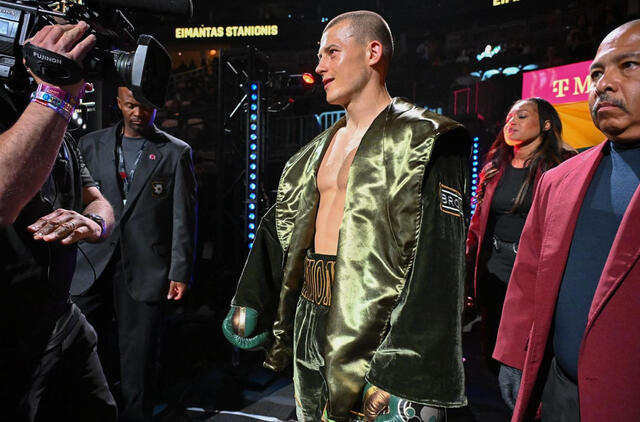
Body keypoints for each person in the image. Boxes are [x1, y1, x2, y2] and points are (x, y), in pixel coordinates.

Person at [223, 11, 470, 422]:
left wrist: (405, 368)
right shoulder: (312, 152)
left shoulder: (425, 139)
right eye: (320, 55)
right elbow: (278, 226)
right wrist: (252, 299)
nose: (320, 66)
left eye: (332, 52)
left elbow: (439, 265)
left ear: (373, 52)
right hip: (310, 319)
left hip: (377, 328)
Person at [493, 19, 640, 421]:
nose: (603, 84)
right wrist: (513, 354)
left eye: (629, 65)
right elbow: (528, 273)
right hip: (561, 394)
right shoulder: (560, 180)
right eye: (597, 73)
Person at [0, 22, 118, 421]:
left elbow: (99, 202)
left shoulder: (58, 132)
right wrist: (55, 92)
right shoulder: (32, 116)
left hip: (62, 316)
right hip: (12, 328)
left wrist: (93, 224)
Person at [70, 86, 198, 421]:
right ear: (118, 103)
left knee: (139, 360)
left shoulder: (175, 152)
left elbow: (183, 217)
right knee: (82, 350)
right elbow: (75, 202)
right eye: (130, 106)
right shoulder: (90, 144)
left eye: (145, 107)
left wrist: (180, 271)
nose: (138, 114)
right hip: (91, 264)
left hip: (147, 267)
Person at [466, 98, 575, 368]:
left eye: (522, 116)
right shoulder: (493, 168)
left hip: (532, 273)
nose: (511, 122)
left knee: (525, 358)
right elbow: (477, 228)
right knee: (492, 354)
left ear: (546, 124)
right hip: (493, 270)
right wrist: (467, 276)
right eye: (508, 119)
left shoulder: (560, 167)